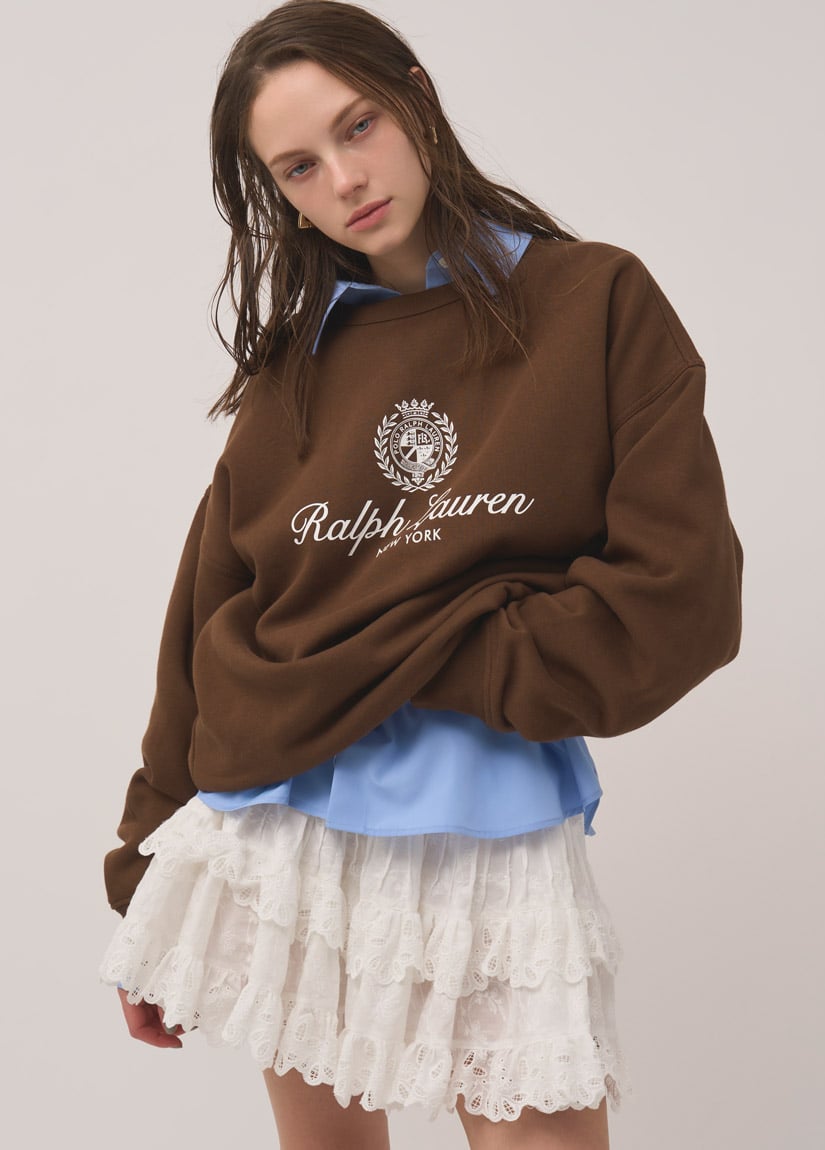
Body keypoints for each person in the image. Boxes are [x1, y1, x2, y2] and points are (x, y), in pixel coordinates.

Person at [99, 2, 743, 1147]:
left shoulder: (594, 303)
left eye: (359, 126)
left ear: (414, 94)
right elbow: (206, 613)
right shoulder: (292, 375)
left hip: (488, 817)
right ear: (277, 192)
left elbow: (680, 595)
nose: (345, 179)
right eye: (299, 166)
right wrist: (144, 864)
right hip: (280, 822)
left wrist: (462, 657)